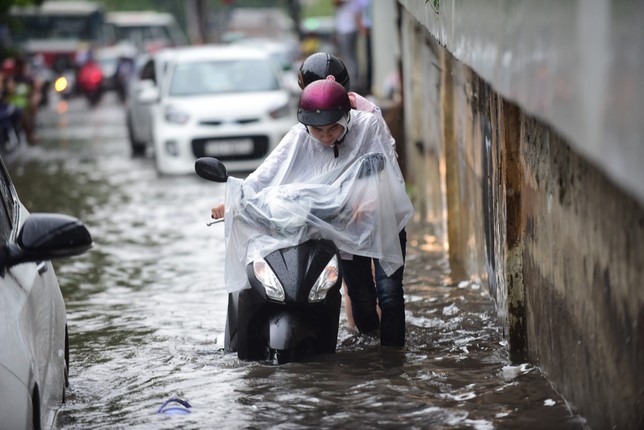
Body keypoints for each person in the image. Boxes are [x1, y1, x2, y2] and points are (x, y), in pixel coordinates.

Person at [212, 80, 414, 347]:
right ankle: (371, 351)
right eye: (318, 131)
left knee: (388, 295)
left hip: (380, 219)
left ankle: (394, 366)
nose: (327, 136)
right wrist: (233, 200)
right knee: (362, 300)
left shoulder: (368, 125)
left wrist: (368, 200)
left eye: (334, 128)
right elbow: (266, 174)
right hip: (345, 226)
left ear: (347, 117)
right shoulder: (298, 138)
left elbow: (387, 167)